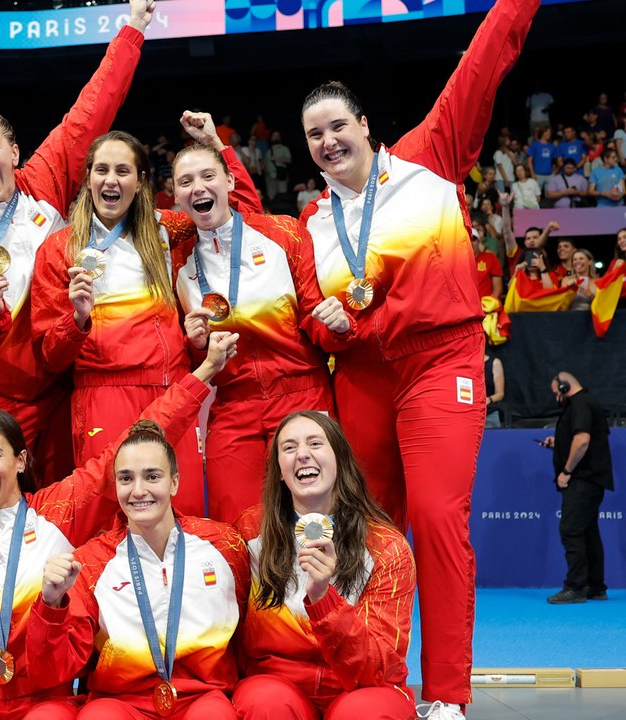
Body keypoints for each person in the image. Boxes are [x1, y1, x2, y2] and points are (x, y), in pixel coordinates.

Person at [296, 1, 539, 714]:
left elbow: (483, 63)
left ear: (365, 126)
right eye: (315, 135)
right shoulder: (311, 224)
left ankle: (447, 699)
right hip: (366, 376)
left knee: (435, 519)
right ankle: (373, 680)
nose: (329, 141)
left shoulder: (429, 157)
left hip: (442, 361)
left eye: (339, 126)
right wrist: (333, 328)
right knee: (365, 529)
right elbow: (318, 325)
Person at [0, 332, 238, 720]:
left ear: (21, 461)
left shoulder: (61, 510)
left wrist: (205, 371)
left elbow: (137, 439)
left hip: (46, 694)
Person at [0, 0, 156, 488]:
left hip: (64, 387)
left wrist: (133, 29)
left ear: (14, 153)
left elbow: (92, 110)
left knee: (68, 506)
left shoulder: (46, 181)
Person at [32, 129, 222, 517]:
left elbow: (233, 218)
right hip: (103, 396)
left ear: (140, 182)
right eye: (101, 170)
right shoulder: (59, 249)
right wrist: (77, 319)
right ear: (88, 179)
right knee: (114, 522)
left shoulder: (169, 230)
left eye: (123, 170)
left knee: (180, 515)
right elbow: (49, 357)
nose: (111, 180)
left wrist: (221, 151)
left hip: (171, 390)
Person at [166, 115, 346, 522]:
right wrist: (194, 345)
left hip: (303, 394)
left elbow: (315, 320)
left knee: (314, 523)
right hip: (234, 408)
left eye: (208, 175)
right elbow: (196, 363)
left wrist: (335, 324)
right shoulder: (179, 263)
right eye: (185, 182)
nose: (198, 188)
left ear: (229, 181)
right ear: (175, 196)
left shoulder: (283, 233)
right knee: (239, 530)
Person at [27, 417, 250, 719]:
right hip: (120, 702)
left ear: (174, 482)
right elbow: (53, 670)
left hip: (202, 697)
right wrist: (51, 604)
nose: (138, 490)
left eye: (152, 476)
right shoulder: (91, 562)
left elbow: (246, 634)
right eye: (126, 478)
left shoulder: (224, 545)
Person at [231, 411, 416, 720]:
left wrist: (323, 600)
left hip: (359, 687)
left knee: (362, 713)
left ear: (340, 460)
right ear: (279, 471)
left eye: (315, 443)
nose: (302, 453)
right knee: (264, 701)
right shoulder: (250, 531)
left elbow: (380, 667)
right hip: (279, 683)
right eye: (289, 448)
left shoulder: (386, 547)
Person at [540, 372, 614, 605]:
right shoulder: (585, 404)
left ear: (564, 387)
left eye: (556, 393)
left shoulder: (580, 404)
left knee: (571, 530)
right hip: (591, 480)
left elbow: (582, 441)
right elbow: (577, 438)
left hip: (582, 479)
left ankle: (576, 587)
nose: (556, 398)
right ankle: (595, 586)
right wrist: (558, 442)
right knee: (588, 531)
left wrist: (567, 471)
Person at [483, 351, 505, 429]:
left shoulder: (494, 363)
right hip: (468, 413)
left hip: (489, 414)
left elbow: (500, 394)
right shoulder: (465, 363)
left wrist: (488, 399)